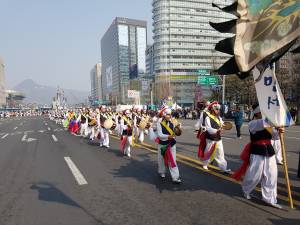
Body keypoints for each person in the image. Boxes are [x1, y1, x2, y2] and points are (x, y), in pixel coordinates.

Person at [234, 103, 282, 209]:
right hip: (257, 152)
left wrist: (278, 131)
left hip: (269, 151)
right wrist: (275, 120)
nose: (264, 114)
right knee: (254, 175)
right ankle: (246, 190)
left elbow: (274, 137)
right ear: (257, 113)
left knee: (272, 175)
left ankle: (269, 198)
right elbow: (263, 123)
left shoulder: (268, 123)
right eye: (262, 112)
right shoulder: (253, 123)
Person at [199, 101, 231, 172]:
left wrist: (224, 125)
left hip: (218, 138)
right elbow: (209, 129)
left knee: (220, 153)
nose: (218, 111)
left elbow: (222, 124)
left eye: (218, 109)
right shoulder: (208, 118)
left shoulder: (219, 117)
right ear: (213, 110)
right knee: (208, 151)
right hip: (210, 138)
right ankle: (205, 164)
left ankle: (223, 168)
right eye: (217, 109)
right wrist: (217, 130)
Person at [156, 107, 182, 184]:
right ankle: (162, 171)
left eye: (170, 115)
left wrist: (178, 128)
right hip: (162, 144)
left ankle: (175, 177)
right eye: (167, 114)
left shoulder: (172, 123)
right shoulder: (159, 123)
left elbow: (176, 132)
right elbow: (160, 135)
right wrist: (168, 136)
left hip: (171, 144)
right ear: (164, 115)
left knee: (172, 160)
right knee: (161, 159)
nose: (169, 116)